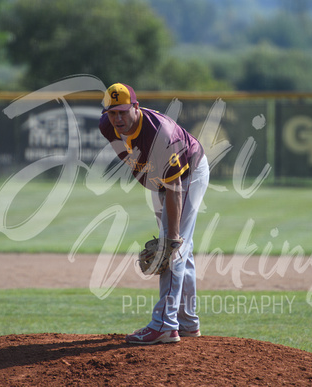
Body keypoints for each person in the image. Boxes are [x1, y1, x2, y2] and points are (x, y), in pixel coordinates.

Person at [98, 83, 209, 344]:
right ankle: (188, 322)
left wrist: (171, 238)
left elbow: (175, 188)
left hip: (189, 173)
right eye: (112, 113)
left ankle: (165, 325)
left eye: (123, 112)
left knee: (172, 248)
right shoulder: (106, 126)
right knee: (182, 249)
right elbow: (135, 161)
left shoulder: (161, 135)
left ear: (135, 107)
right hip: (160, 178)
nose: (117, 119)